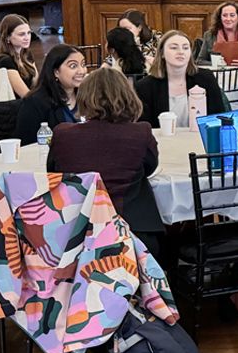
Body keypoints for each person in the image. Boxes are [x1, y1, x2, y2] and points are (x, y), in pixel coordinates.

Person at [47, 67, 164, 256]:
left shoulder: (63, 134)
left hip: (76, 236)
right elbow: (150, 167)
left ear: (84, 97)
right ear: (128, 95)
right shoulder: (140, 132)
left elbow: (53, 174)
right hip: (133, 234)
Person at [134, 30, 230, 129]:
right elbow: (144, 126)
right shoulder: (144, 86)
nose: (181, 52)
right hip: (162, 142)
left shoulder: (206, 78)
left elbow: (218, 117)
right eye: (174, 48)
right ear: (162, 53)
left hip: (200, 140)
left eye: (185, 48)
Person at [14, 44, 86, 145]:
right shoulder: (36, 102)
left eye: (83, 64)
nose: (82, 71)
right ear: (56, 72)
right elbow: (26, 143)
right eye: (73, 66)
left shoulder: (87, 97)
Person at [199, 1, 238, 66]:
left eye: (232, 15)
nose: (228, 19)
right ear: (220, 18)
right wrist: (216, 64)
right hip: (218, 74)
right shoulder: (210, 35)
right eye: (224, 15)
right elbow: (200, 61)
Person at [0, 14, 37, 98]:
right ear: (8, 37)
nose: (27, 38)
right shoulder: (4, 60)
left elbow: (37, 84)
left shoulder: (26, 54)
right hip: (14, 107)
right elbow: (25, 95)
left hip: (27, 103)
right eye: (21, 34)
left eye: (29, 33)